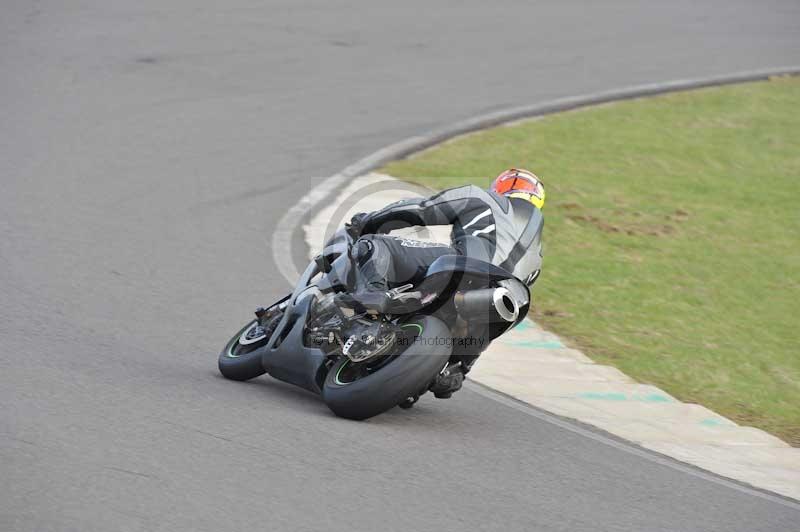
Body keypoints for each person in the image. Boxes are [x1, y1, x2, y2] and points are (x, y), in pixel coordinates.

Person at [344, 168, 545, 398]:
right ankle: (453, 369)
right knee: (495, 316)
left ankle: (369, 308)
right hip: (502, 302)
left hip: (464, 268)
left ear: (501, 187)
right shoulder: (538, 258)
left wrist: (371, 220)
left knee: (374, 245)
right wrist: (464, 365)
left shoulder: (482, 197)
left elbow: (423, 209)